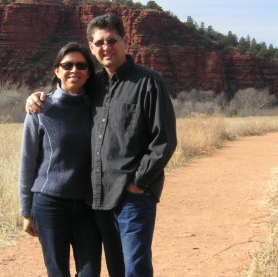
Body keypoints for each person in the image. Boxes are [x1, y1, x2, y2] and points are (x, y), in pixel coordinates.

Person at [26, 14, 177, 277]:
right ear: (92, 46)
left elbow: (164, 141)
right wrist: (37, 97)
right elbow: (64, 90)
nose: (106, 46)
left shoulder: (148, 82)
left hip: (133, 196)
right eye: (99, 42)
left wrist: (138, 183)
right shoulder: (92, 82)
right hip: (98, 198)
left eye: (112, 40)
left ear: (124, 42)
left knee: (135, 268)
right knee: (117, 268)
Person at [19, 42, 102, 277]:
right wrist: (26, 212)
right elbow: (28, 161)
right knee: (57, 272)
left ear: (89, 71)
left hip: (87, 204)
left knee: (90, 272)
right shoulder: (40, 109)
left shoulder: (99, 107)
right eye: (67, 65)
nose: (74, 70)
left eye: (81, 65)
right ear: (57, 70)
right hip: (49, 203)